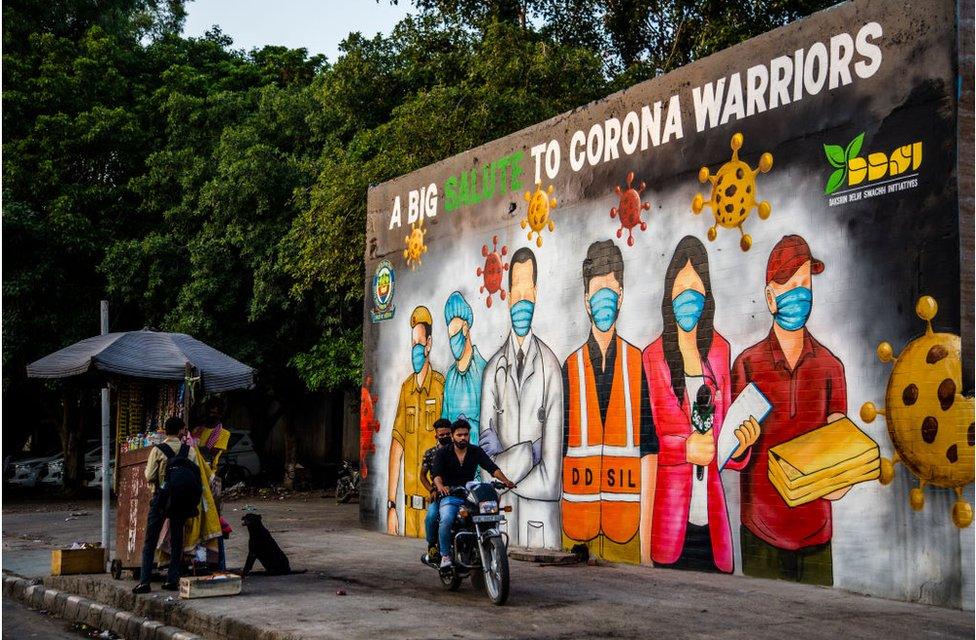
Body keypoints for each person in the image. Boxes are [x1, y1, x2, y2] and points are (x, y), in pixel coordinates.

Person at [731, 235, 848, 585]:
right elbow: (732, 453)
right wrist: (741, 444)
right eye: (790, 285)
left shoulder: (831, 367)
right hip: (761, 532)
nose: (800, 294)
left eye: (805, 284)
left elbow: (841, 443)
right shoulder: (747, 366)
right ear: (770, 297)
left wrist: (842, 474)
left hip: (816, 533)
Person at [642, 236, 760, 573]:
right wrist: (684, 450)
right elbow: (648, 441)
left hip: (711, 518)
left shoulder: (720, 352)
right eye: (681, 290)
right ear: (669, 297)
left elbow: (722, 444)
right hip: (671, 519)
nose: (688, 299)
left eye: (695, 289)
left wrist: (740, 448)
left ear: (707, 295)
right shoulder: (652, 358)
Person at [561, 240, 659, 565]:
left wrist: (646, 546)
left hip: (626, 529)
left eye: (611, 290)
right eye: (597, 292)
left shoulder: (637, 362)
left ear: (622, 295)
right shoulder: (571, 366)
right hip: (577, 528)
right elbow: (559, 446)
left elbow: (648, 449)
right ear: (587, 301)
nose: (605, 300)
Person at [480, 247, 563, 550]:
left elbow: (552, 476)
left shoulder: (551, 368)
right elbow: (484, 469)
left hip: (540, 524)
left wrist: (505, 464)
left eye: (529, 287)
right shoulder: (493, 371)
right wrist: (531, 452)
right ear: (508, 293)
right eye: (517, 287)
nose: (523, 296)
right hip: (501, 520)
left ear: (537, 292)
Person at [388, 306, 446, 537]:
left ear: (429, 343)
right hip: (409, 509)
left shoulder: (441, 387)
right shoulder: (405, 389)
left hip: (434, 502)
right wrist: (391, 505)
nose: (415, 350)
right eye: (413, 344)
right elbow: (397, 446)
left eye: (419, 343)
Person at [432, 419, 517, 568]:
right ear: (453, 436)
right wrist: (440, 487)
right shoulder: (442, 453)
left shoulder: (475, 451)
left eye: (466, 434)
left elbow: (491, 467)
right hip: (450, 496)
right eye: (459, 435)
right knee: (446, 520)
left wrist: (506, 480)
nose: (463, 437)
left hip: (470, 496)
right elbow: (437, 475)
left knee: (486, 515)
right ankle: (445, 556)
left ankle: (479, 548)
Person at [133, 416, 200, 593]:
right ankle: (172, 579)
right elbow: (196, 475)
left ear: (165, 431)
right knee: (177, 540)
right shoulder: (189, 450)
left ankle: (145, 581)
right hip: (181, 500)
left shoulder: (158, 450)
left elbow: (149, 476)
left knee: (150, 540)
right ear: (180, 431)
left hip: (161, 499)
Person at [441, 291, 487, 444]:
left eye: (455, 332)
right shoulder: (450, 377)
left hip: (478, 463)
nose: (453, 340)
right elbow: (444, 422)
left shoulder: (484, 371)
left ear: (466, 327)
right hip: (453, 462)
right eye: (450, 335)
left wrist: (470, 424)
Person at [421, 418, 453, 562]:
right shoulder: (430, 454)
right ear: (436, 436)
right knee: (431, 517)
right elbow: (422, 476)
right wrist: (431, 490)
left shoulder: (458, 450)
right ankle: (432, 545)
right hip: (438, 495)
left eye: (448, 434)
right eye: (442, 435)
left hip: (457, 492)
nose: (445, 437)